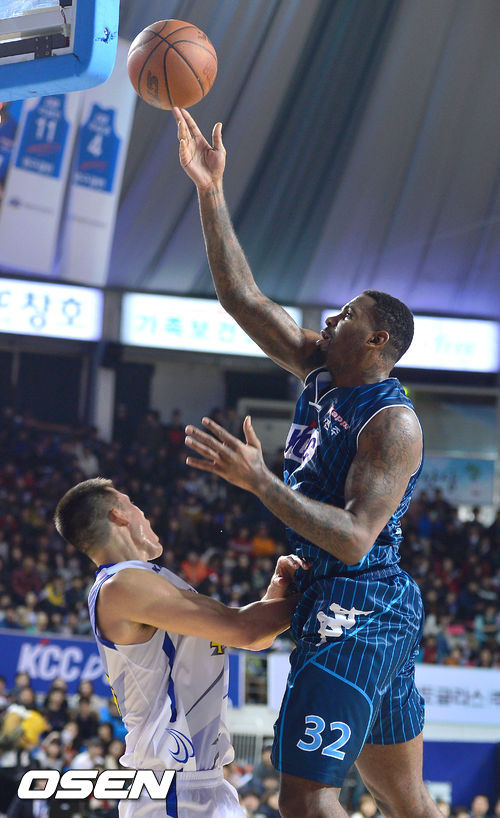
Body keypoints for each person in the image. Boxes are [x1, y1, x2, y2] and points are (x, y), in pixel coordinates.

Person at [173, 106, 441, 818]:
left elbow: (354, 538)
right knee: (404, 798)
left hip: (358, 602)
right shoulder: (321, 369)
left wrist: (259, 480)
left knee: (303, 796)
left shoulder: (393, 423)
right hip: (345, 597)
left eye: (346, 316)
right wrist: (210, 190)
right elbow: (241, 298)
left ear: (378, 340)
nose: (329, 320)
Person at [54, 477, 304, 818]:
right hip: (170, 789)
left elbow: (255, 637)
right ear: (119, 515)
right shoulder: (121, 586)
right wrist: (331, 590)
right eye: (135, 506)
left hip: (205, 782)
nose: (144, 515)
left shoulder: (151, 581)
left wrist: (277, 590)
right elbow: (245, 629)